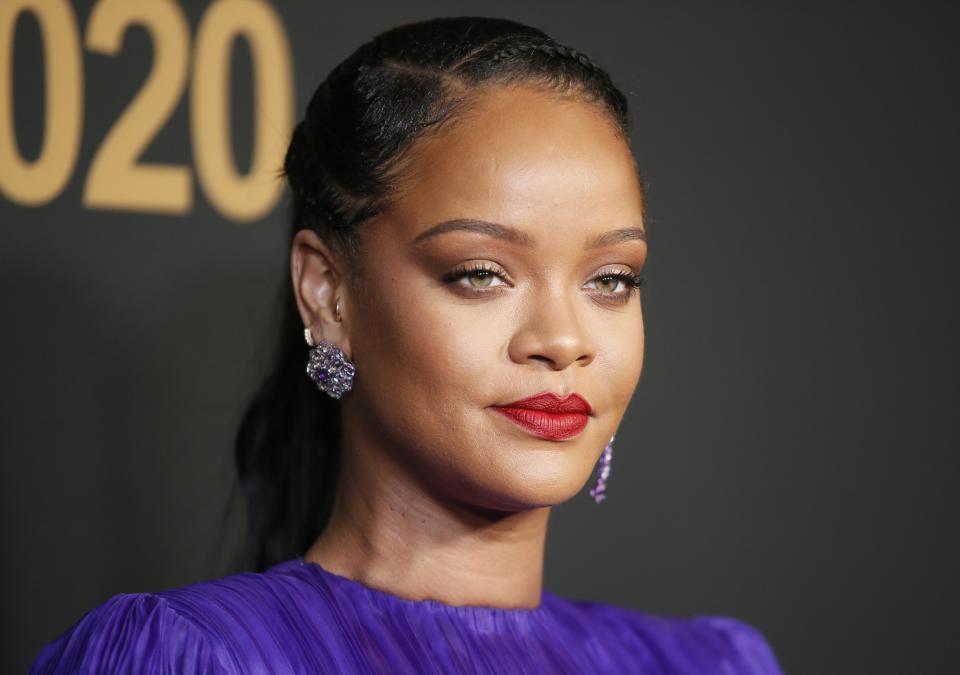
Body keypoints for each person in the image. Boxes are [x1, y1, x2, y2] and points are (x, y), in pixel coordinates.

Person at [29, 16, 784, 674]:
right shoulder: (196, 656)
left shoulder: (712, 663)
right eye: (482, 274)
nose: (563, 339)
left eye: (612, 279)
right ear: (328, 293)